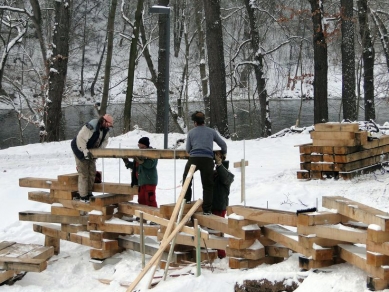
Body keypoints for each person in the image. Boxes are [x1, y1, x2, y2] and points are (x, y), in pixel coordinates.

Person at [183, 111, 227, 215]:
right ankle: (207, 209)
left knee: (187, 178)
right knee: (208, 185)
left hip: (194, 159)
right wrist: (223, 153)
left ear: (194, 122)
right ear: (203, 121)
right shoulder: (211, 132)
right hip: (207, 160)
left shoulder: (191, 132)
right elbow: (223, 144)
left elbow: (188, 149)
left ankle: (187, 199)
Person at [71, 114, 113, 202]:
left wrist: (98, 152)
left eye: (110, 125)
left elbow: (104, 142)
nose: (109, 126)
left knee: (92, 172)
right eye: (108, 124)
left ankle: (89, 192)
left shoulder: (105, 131)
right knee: (84, 173)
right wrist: (85, 152)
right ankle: (83, 195)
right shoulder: (91, 127)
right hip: (79, 148)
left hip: (91, 151)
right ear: (104, 121)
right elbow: (80, 139)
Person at [122, 137, 158, 208]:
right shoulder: (139, 154)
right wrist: (127, 162)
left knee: (150, 200)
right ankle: (142, 216)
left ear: (146, 146)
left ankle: (154, 216)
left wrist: (141, 161)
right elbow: (136, 166)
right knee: (141, 200)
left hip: (149, 181)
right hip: (141, 182)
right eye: (139, 146)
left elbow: (150, 165)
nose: (141, 148)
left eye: (143, 146)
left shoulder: (153, 153)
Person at [212, 151, 235, 259]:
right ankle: (215, 250)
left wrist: (219, 165)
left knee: (219, 230)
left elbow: (224, 175)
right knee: (213, 230)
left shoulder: (228, 176)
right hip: (212, 206)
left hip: (220, 207)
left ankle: (221, 253)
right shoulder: (216, 175)